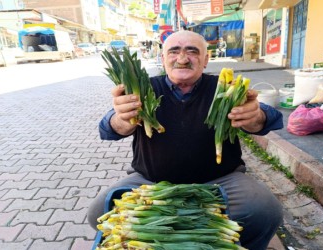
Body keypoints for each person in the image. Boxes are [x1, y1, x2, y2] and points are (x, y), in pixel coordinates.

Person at [87, 30, 284, 250]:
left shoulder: (225, 87)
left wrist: (255, 116)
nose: (182, 58)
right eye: (174, 51)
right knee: (98, 212)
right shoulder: (143, 89)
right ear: (163, 59)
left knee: (266, 210)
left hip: (222, 179)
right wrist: (122, 120)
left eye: (192, 51)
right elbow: (107, 129)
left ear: (206, 60)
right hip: (149, 181)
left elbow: (272, 119)